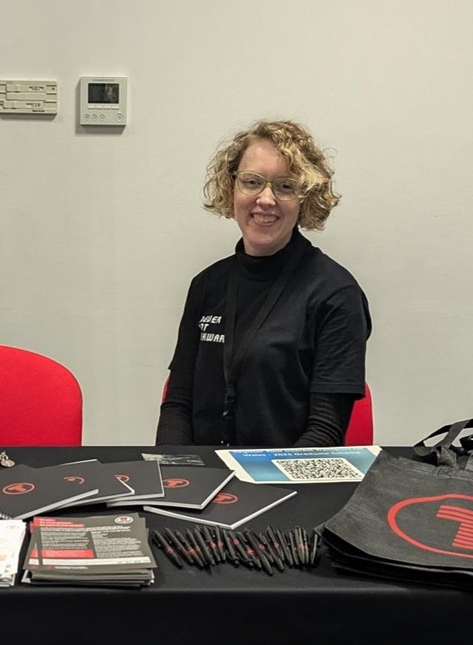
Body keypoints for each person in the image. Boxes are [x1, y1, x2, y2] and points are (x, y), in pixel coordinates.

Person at [156, 119, 370, 447]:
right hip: (204, 481)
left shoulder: (336, 294)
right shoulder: (206, 285)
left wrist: (261, 489)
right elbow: (178, 404)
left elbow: (324, 431)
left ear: (305, 197)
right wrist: (174, 480)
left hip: (288, 484)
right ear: (232, 188)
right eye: (252, 182)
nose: (266, 199)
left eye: (285, 186)